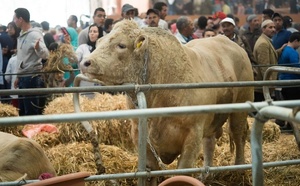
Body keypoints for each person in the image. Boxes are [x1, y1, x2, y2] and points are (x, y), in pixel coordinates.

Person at [13, 8, 49, 115]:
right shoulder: (22, 35)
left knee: (31, 112)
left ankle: (33, 131)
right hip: (24, 77)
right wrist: (18, 76)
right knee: (23, 111)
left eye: (15, 18)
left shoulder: (34, 35)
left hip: (31, 77)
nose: (14, 21)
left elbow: (46, 54)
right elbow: (22, 57)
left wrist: (38, 48)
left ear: (21, 19)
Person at [253, 20, 284, 102]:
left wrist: (280, 50)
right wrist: (270, 84)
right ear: (263, 29)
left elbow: (269, 56)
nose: (273, 29)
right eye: (270, 27)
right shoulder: (263, 43)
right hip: (263, 88)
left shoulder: (266, 41)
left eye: (274, 27)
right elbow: (264, 66)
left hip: (264, 86)